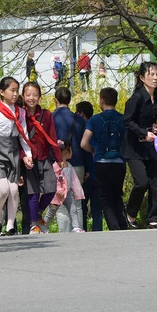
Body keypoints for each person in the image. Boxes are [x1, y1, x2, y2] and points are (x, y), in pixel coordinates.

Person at [0, 77, 33, 236]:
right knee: (3, 189)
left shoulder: (21, 112)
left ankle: (10, 224)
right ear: (2, 92)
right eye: (12, 90)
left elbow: (23, 136)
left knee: (14, 190)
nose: (15, 94)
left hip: (14, 152)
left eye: (17, 90)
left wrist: (27, 155)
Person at [122, 61, 157, 229]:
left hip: (153, 146)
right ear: (142, 78)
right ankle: (130, 214)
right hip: (135, 147)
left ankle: (153, 219)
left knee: (156, 183)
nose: (155, 78)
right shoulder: (135, 99)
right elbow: (127, 121)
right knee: (142, 183)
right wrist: (144, 133)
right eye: (151, 75)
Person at [81, 88, 127, 230]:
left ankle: (115, 228)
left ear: (101, 100)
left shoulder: (95, 120)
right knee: (117, 196)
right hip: (119, 163)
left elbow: (83, 143)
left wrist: (93, 150)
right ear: (116, 100)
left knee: (105, 200)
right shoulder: (123, 119)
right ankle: (123, 227)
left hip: (101, 163)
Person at [21, 81, 63, 234]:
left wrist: (58, 158)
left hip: (44, 156)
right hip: (29, 159)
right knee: (33, 192)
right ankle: (33, 224)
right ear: (23, 96)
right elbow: (18, 138)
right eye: (28, 95)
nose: (31, 98)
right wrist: (23, 156)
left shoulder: (46, 114)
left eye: (35, 95)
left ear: (39, 97)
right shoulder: (20, 114)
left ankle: (38, 212)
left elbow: (52, 136)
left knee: (51, 188)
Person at [52, 86, 92, 232]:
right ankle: (78, 230)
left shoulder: (51, 118)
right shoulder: (79, 120)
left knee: (61, 202)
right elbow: (85, 146)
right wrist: (88, 167)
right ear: (69, 100)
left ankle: (65, 234)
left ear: (55, 100)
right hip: (77, 164)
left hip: (58, 166)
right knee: (77, 201)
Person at [43, 143, 85, 232]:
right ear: (66, 152)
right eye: (71, 150)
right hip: (56, 194)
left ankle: (76, 227)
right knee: (51, 213)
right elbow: (53, 180)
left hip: (68, 193)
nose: (72, 152)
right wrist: (58, 190)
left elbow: (74, 180)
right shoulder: (55, 166)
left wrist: (77, 191)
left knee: (73, 209)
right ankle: (43, 227)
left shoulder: (69, 165)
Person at [76, 100, 102, 232]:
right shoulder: (97, 125)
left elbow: (83, 150)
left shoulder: (83, 129)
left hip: (87, 173)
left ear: (81, 113)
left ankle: (82, 230)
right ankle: (98, 231)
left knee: (82, 207)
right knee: (97, 208)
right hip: (98, 171)